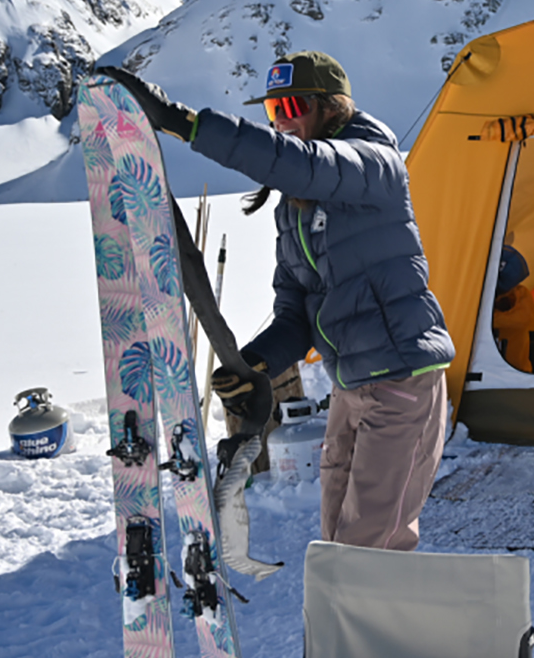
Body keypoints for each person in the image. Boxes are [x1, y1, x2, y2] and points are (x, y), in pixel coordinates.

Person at [96, 52, 455, 552]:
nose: (282, 120)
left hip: (401, 383)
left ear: (331, 108)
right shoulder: (296, 212)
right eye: (272, 112)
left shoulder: (373, 163)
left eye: (292, 106)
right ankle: (340, 629)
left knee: (370, 545)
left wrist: (186, 124)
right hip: (351, 389)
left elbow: (308, 166)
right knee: (336, 539)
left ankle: (379, 629)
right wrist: (255, 365)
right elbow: (295, 309)